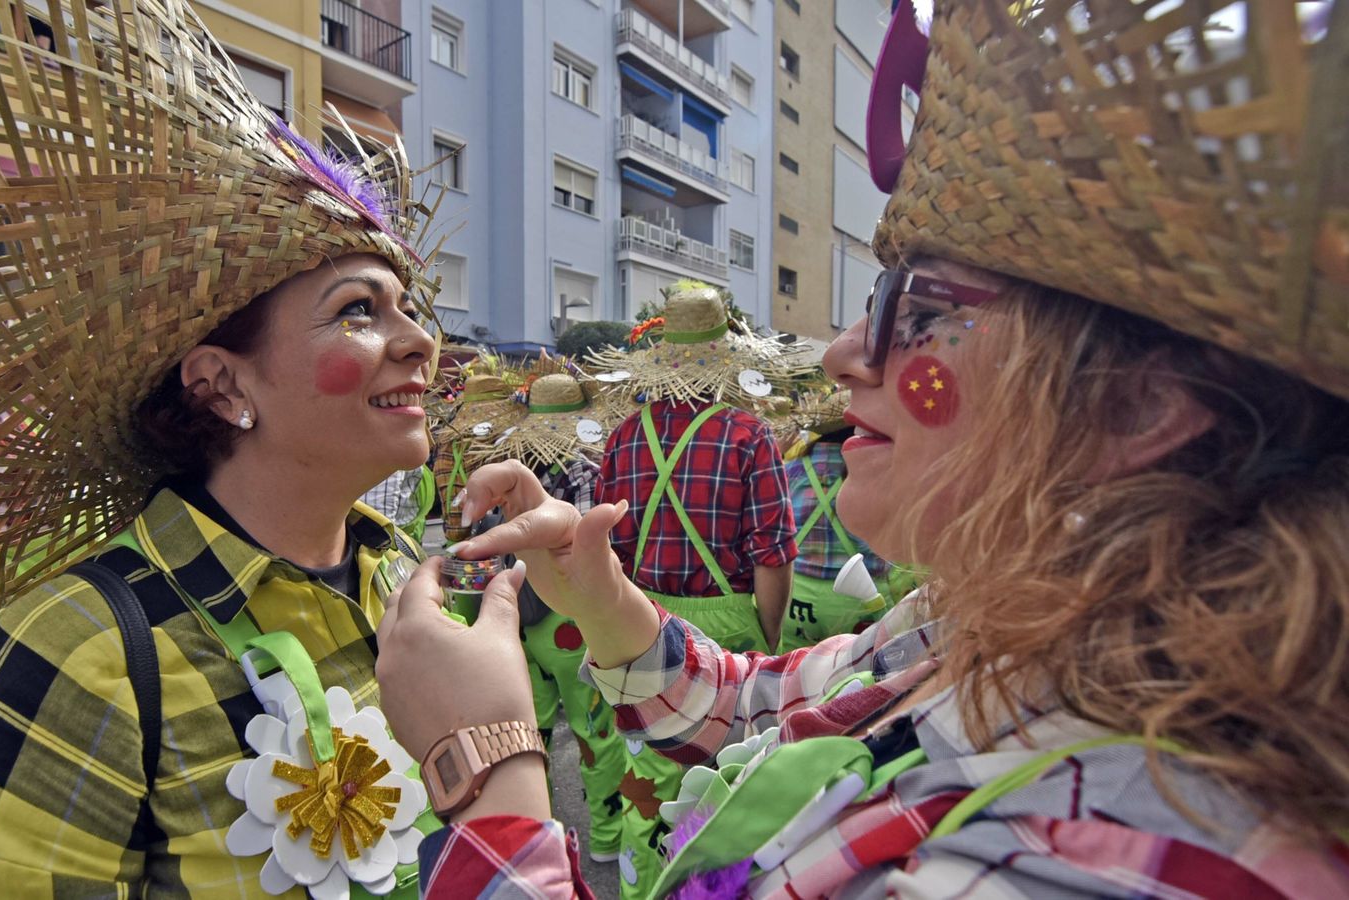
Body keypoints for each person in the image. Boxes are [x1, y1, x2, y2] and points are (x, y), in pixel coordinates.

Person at [375, 0, 1349, 895]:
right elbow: (766, 700)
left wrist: (489, 771)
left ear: (1135, 404)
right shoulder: (1005, 616)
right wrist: (601, 596)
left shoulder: (1126, 860)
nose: (845, 353)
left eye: (915, 310)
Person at [0, 0, 449, 894]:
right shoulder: (76, 649)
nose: (420, 340)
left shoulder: (401, 582)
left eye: (405, 307)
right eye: (358, 310)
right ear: (222, 387)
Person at [583, 281, 808, 896]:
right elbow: (773, 556)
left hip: (643, 623)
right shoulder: (749, 435)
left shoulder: (623, 438)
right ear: (726, 364)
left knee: (646, 791)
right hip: (730, 622)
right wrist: (767, 633)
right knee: (729, 791)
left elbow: (606, 550)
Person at [449, 368, 628, 865]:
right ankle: (607, 836)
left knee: (527, 733)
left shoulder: (497, 468)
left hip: (509, 612)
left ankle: (536, 832)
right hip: (565, 622)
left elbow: (465, 545)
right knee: (594, 730)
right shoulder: (584, 473)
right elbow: (594, 553)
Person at [775, 388, 902, 652]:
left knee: (795, 671)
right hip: (863, 598)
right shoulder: (881, 468)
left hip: (797, 599)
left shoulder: (790, 469)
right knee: (866, 671)